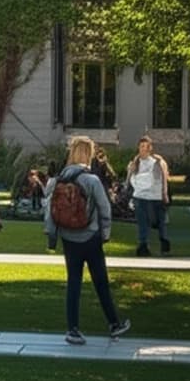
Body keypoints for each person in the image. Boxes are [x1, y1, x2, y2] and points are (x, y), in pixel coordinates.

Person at [44, 135, 131, 345]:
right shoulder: (91, 180)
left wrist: (52, 236)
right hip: (90, 236)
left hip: (67, 237)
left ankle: (72, 329)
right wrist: (106, 234)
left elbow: (48, 210)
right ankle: (114, 324)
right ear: (88, 154)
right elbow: (105, 209)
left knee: (73, 282)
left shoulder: (57, 181)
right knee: (100, 281)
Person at [126, 135, 171, 256]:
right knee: (142, 222)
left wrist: (164, 193)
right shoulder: (135, 163)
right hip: (140, 197)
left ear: (150, 148)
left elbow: (162, 179)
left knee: (159, 221)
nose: (144, 149)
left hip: (155, 197)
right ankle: (143, 245)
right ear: (138, 147)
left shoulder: (156, 163)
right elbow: (131, 180)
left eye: (146, 146)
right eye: (142, 146)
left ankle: (164, 241)